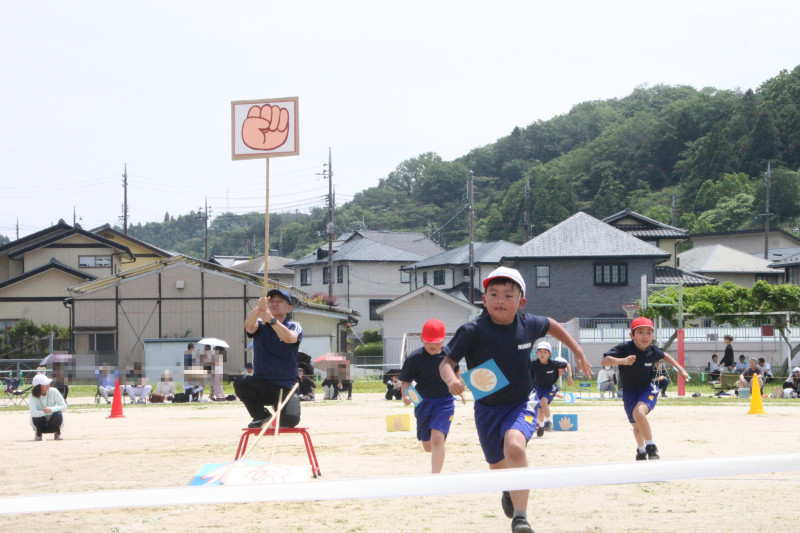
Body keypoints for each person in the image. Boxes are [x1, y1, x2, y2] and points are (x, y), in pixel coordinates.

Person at [440, 266, 592, 533]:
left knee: (514, 447)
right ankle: (509, 491)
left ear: (521, 301)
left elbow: (552, 324)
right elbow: (447, 362)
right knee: (497, 464)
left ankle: (521, 517)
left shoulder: (528, 324)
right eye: (494, 294)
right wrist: (452, 380)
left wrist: (576, 349)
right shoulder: (472, 330)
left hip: (522, 402)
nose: (500, 300)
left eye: (508, 295)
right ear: (484, 299)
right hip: (486, 408)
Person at [602, 316, 690, 462]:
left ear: (653, 336)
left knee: (639, 413)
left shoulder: (653, 350)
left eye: (649, 333)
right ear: (632, 335)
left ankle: (651, 446)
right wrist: (623, 360)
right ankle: (641, 449)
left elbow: (665, 356)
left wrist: (680, 369)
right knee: (636, 427)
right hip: (629, 392)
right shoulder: (624, 348)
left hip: (647, 389)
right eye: (641, 332)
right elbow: (605, 361)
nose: (645, 336)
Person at [399, 319, 465, 474]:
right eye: (429, 342)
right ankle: (438, 442)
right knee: (428, 445)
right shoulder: (414, 358)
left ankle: (435, 477)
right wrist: (407, 397)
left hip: (445, 401)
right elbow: (406, 382)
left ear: (443, 340)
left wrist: (460, 389)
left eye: (436, 342)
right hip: (423, 403)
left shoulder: (449, 356)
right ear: (422, 339)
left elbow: (456, 373)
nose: (432, 345)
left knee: (437, 438)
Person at [234, 288, 302, 429]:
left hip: (286, 385)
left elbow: (289, 338)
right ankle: (262, 416)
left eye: (280, 301)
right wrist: (259, 308)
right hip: (263, 384)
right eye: (272, 301)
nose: (274, 304)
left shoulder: (294, 326)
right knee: (241, 382)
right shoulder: (260, 324)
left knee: (290, 421)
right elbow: (248, 326)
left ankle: (280, 411)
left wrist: (272, 321)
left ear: (288, 308)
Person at [530, 340, 572, 438]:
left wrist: (569, 376)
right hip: (537, 387)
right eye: (540, 352)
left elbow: (568, 365)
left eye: (545, 352)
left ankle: (548, 422)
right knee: (540, 409)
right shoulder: (533, 363)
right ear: (537, 353)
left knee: (543, 403)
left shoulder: (554, 364)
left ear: (550, 354)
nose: (542, 354)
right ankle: (540, 426)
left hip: (550, 387)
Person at [29, 374, 67, 441]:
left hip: (54, 423)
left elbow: (64, 406)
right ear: (38, 387)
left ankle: (58, 433)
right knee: (36, 417)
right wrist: (44, 412)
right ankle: (38, 434)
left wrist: (51, 409)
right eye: (45, 384)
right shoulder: (32, 396)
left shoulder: (54, 391)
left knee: (58, 413)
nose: (48, 385)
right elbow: (33, 413)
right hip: (40, 424)